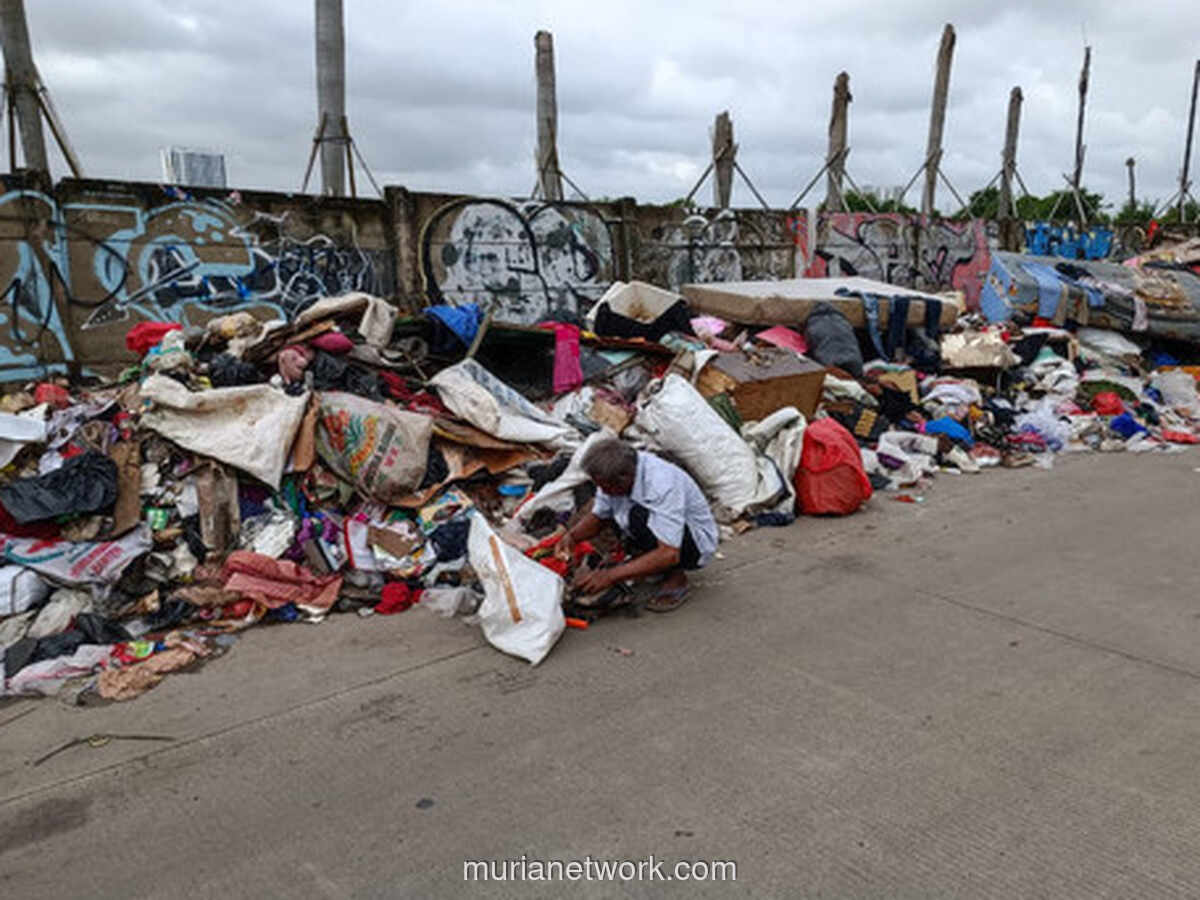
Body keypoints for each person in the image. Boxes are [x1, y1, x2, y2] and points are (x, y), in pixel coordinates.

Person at [555, 437, 718, 612]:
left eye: (606, 486)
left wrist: (609, 576)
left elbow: (669, 553)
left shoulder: (661, 483)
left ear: (625, 478)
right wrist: (571, 537)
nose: (602, 491)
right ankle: (645, 564)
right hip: (657, 531)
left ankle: (676, 577)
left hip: (693, 544)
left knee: (638, 516)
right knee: (618, 512)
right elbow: (599, 516)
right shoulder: (616, 475)